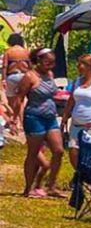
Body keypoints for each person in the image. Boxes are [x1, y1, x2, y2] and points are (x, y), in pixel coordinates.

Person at [14, 48, 63, 198]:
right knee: (33, 153)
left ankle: (51, 185)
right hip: (34, 118)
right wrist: (15, 118)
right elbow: (19, 98)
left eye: (53, 63)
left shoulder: (49, 75)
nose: (50, 66)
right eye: (47, 62)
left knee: (59, 151)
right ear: (39, 60)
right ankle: (28, 188)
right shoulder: (29, 77)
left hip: (50, 118)